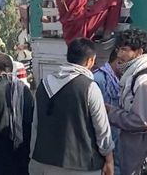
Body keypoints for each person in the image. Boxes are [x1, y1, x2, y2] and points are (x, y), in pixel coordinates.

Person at [30, 38, 114, 175]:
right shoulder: (89, 87)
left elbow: (35, 125)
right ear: (90, 61)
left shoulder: (44, 84)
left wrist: (33, 160)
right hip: (83, 165)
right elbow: (102, 129)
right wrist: (109, 160)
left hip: (44, 163)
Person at [107, 29, 147, 175]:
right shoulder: (133, 75)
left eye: (125, 50)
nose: (119, 55)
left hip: (142, 153)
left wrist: (110, 112)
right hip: (132, 148)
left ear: (139, 52)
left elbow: (142, 121)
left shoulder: (145, 81)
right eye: (119, 49)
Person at [93, 49, 122, 175]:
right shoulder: (98, 79)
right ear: (118, 61)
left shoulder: (120, 79)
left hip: (117, 140)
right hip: (104, 141)